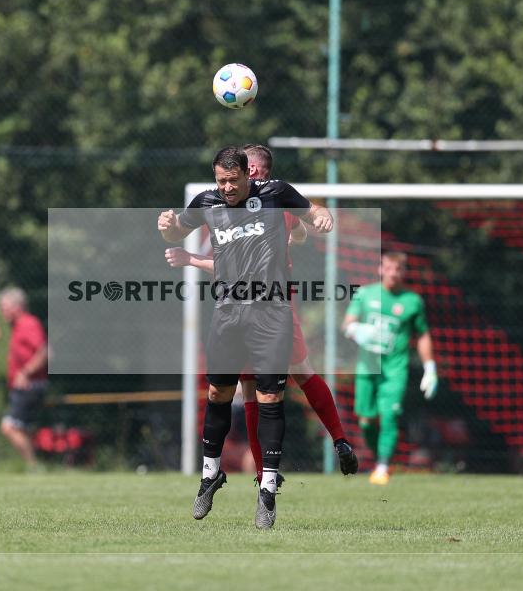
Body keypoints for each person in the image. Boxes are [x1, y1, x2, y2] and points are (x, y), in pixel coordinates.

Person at [159, 145, 333, 529]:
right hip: (226, 313)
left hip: (271, 314)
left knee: (271, 396)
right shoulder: (206, 200)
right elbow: (177, 229)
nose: (227, 188)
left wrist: (322, 216)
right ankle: (210, 475)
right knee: (218, 394)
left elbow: (312, 211)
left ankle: (267, 489)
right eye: (221, 181)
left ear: (246, 176)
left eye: (233, 181)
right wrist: (166, 224)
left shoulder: (274, 194)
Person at [342, 251, 437, 486]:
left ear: (404, 272)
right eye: (389, 268)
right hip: (367, 368)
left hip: (395, 370)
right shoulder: (365, 294)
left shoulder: (412, 301)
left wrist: (430, 367)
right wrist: (357, 331)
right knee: (366, 420)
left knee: (390, 416)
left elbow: (422, 334)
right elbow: (348, 323)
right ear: (380, 269)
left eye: (398, 269)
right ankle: (379, 459)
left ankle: (383, 466)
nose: (393, 273)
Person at [0, 287, 48, 470]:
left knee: (9, 427)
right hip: (23, 386)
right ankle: (33, 466)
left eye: (4, 307)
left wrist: (25, 372)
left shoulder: (28, 323)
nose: (2, 311)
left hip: (30, 385)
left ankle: (33, 465)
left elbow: (45, 352)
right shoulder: (18, 326)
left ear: (16, 307)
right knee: (23, 429)